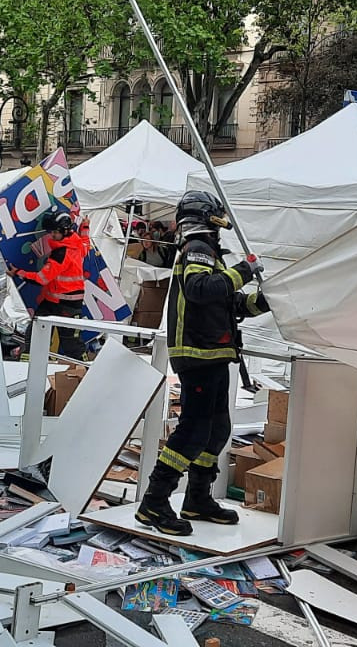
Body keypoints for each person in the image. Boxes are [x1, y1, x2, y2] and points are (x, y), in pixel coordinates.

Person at [136, 191, 268, 537]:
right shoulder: (198, 247)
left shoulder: (206, 250)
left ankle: (197, 498)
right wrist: (245, 270)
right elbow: (200, 289)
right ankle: (154, 502)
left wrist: (263, 301)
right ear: (209, 216)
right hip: (198, 354)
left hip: (213, 352)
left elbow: (225, 301)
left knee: (217, 430)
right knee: (193, 431)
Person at [10, 212, 88, 359]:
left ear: (65, 231)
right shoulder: (76, 243)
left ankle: (84, 371)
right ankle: (29, 366)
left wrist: (18, 272)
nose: (52, 235)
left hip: (65, 304)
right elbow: (86, 243)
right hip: (55, 301)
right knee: (37, 335)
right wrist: (85, 227)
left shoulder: (60, 253)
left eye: (55, 232)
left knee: (69, 343)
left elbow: (41, 279)